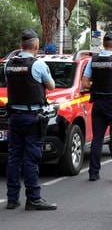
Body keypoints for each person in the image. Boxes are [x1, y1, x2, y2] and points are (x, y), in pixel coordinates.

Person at [5, 29, 57, 210]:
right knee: (31, 158)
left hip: (14, 117)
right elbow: (51, 85)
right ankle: (33, 198)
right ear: (35, 46)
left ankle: (12, 199)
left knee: (14, 158)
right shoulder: (38, 65)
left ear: (20, 45)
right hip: (32, 118)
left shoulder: (8, 64)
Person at [82, 30, 112, 183]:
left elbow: (85, 83)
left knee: (97, 138)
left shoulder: (92, 61)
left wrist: (97, 86)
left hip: (98, 103)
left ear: (103, 44)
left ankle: (93, 172)